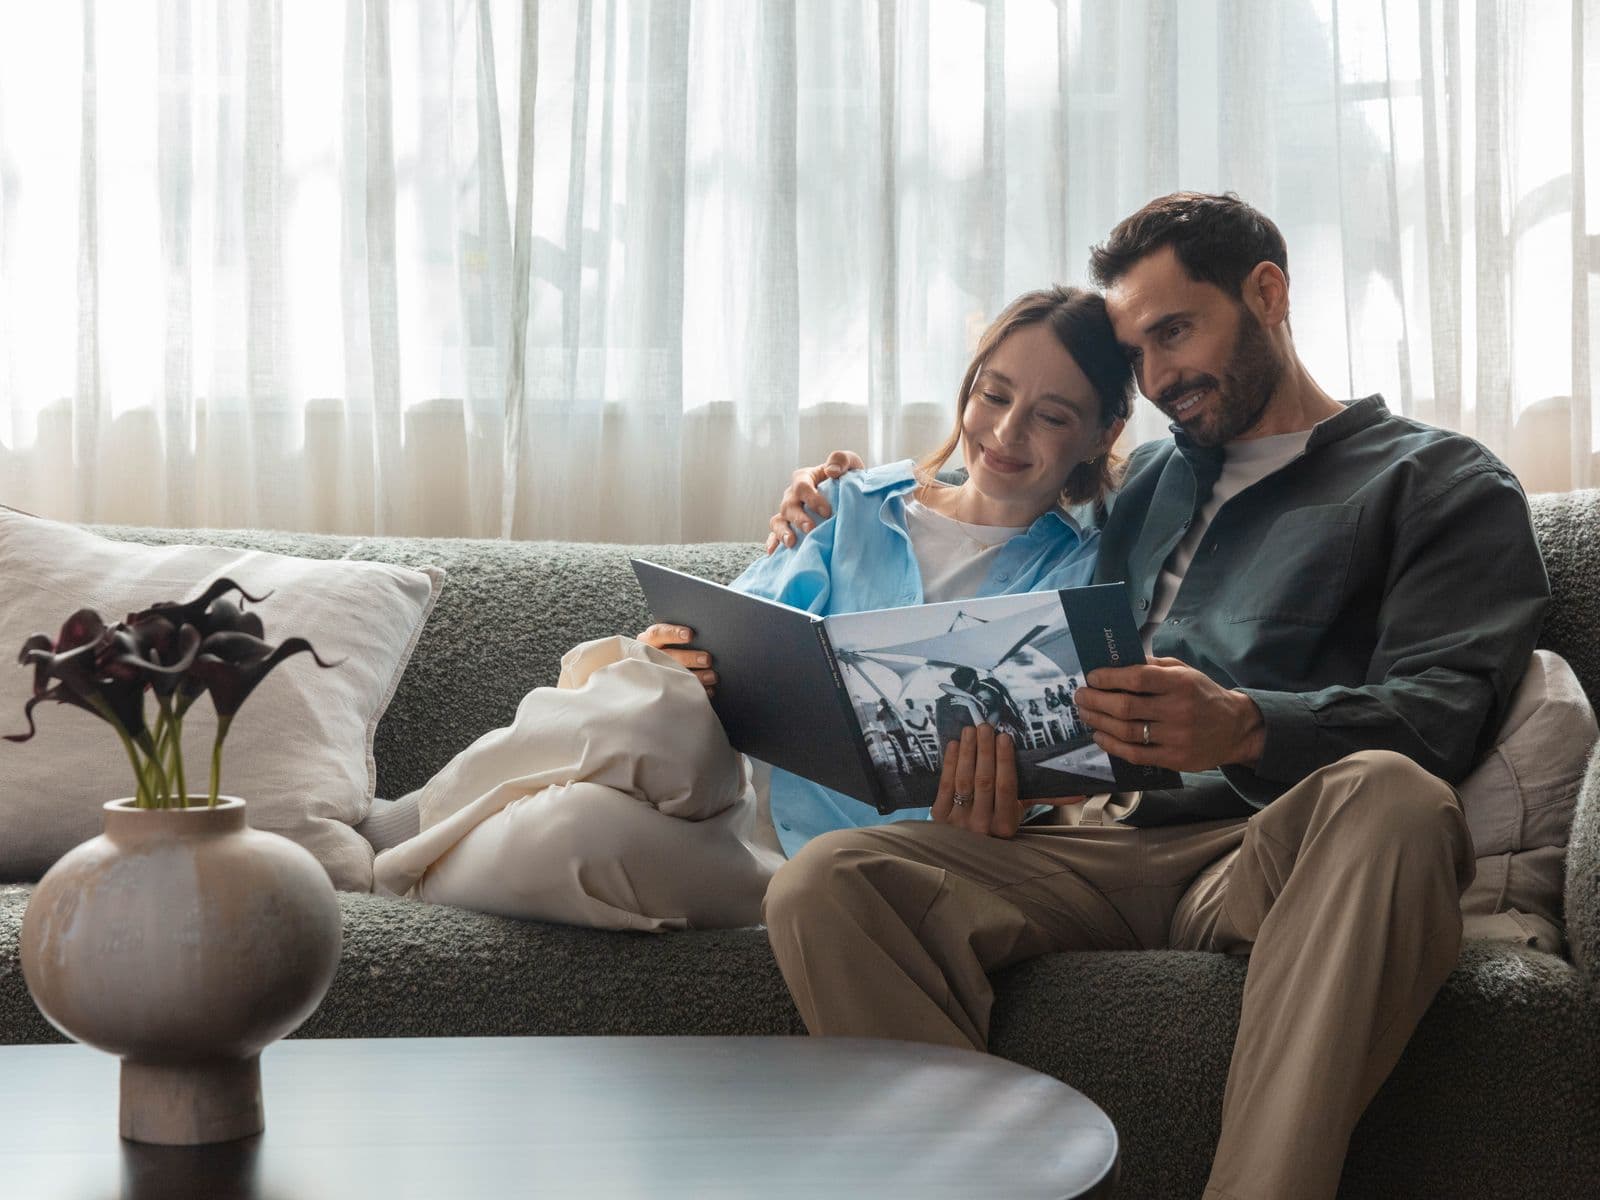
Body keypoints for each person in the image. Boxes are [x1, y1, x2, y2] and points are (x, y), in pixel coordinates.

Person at [758, 192, 1549, 1200]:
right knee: (831, 879)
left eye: (1177, 330)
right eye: (1138, 350)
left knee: (1395, 797)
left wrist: (1243, 723)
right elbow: (985, 506)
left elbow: (1446, 709)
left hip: (1267, 846)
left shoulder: (1437, 483)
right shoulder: (1145, 482)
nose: (1160, 374)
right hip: (1084, 843)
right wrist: (826, 499)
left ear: (1266, 294)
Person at [373, 285, 1131, 933]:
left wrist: (1002, 818)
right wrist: (682, 657)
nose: (1004, 432)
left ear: (1101, 434)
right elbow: (741, 634)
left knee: (569, 831)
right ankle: (400, 825)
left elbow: (1073, 768)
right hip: (726, 788)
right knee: (660, 707)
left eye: (1051, 416)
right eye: (994, 395)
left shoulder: (1087, 579)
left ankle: (381, 873)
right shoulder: (851, 505)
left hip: (838, 879)